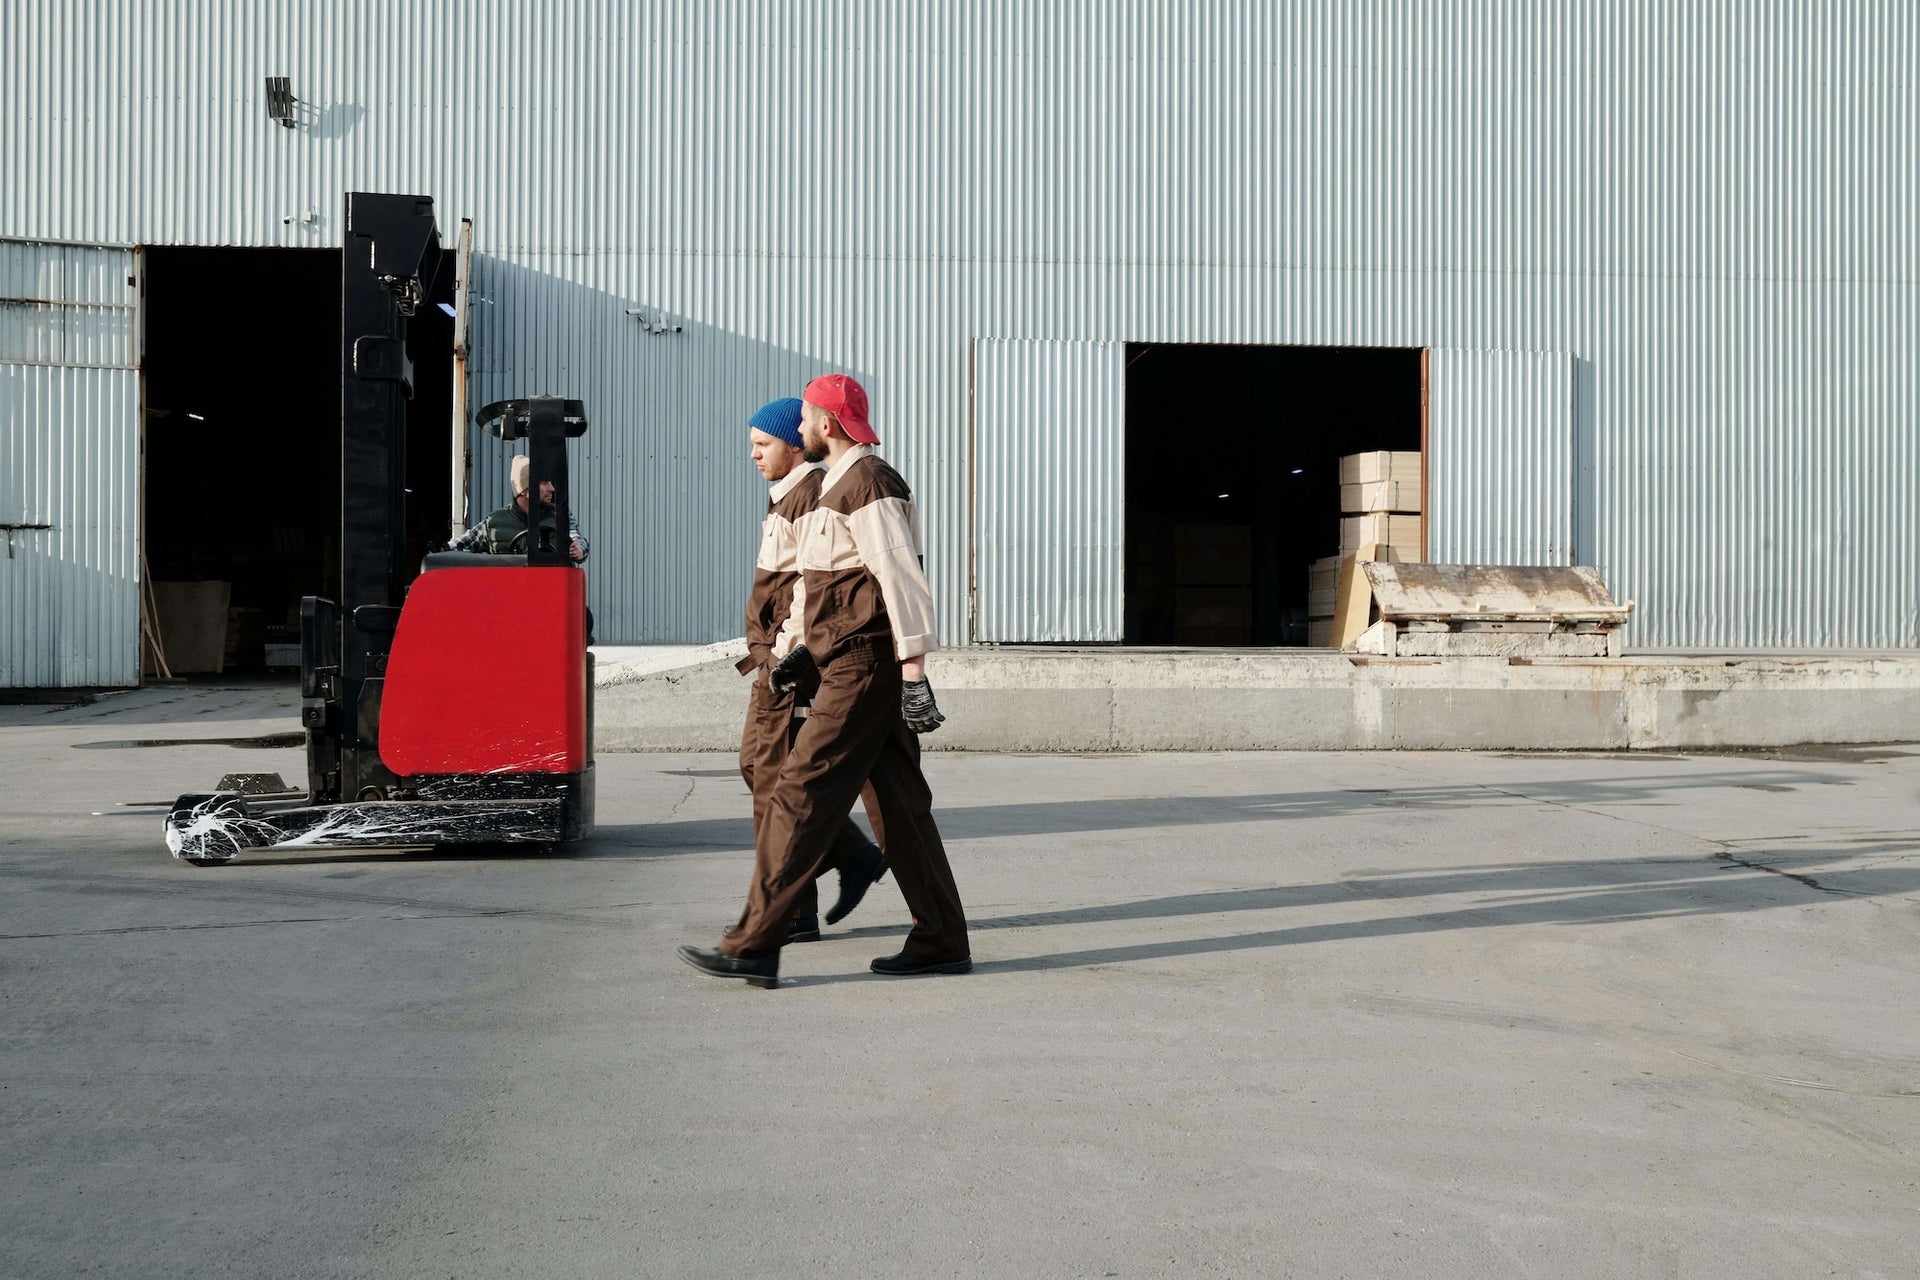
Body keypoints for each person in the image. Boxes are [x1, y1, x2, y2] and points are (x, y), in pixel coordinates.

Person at [680, 374, 968, 987]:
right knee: (898, 804)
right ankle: (941, 936)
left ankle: (754, 942)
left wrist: (914, 673)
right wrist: (794, 653)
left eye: (806, 419)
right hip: (838, 660)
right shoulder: (834, 486)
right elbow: (815, 589)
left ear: (825, 425)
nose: (800, 427)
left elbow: (902, 579)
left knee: (798, 792)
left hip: (864, 664)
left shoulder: (868, 482)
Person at [729, 397, 890, 944]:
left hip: (788, 662)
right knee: (758, 766)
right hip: (771, 657)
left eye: (763, 444)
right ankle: (852, 855)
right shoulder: (785, 498)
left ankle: (791, 913)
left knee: (776, 778)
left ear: (795, 445)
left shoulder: (808, 495)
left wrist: (787, 653)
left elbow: (808, 587)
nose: (753, 455)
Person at [448, 455, 589, 562]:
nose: (552, 488)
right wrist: (438, 550)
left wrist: (579, 548)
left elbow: (576, 538)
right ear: (524, 490)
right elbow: (457, 547)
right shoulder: (494, 524)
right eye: (544, 482)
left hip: (550, 594)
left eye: (551, 482)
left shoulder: (561, 516)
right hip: (508, 595)